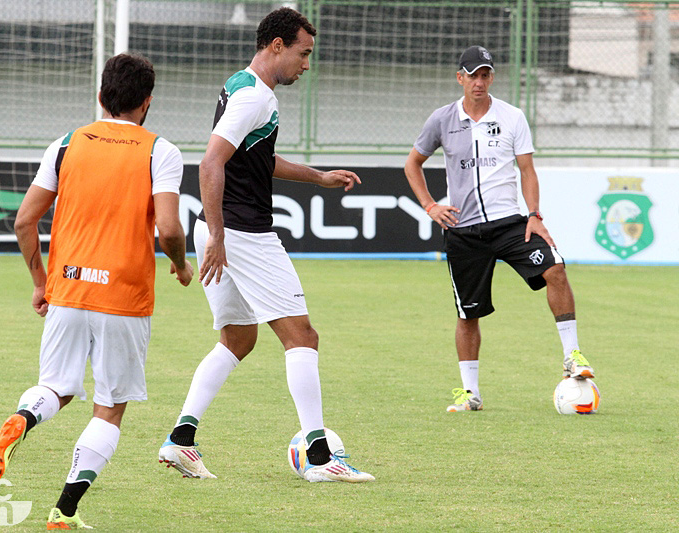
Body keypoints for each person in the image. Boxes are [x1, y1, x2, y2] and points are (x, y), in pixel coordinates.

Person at [157, 7, 373, 483]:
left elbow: (257, 157)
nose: (307, 64)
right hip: (241, 234)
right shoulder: (255, 97)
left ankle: (180, 440)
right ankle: (320, 460)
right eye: (303, 53)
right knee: (302, 336)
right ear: (277, 46)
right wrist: (218, 236)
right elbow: (210, 163)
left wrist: (317, 177)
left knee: (239, 337)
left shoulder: (241, 85)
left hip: (222, 229)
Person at [0, 53, 193, 528]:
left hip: (68, 290)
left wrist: (42, 282)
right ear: (148, 102)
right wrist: (180, 265)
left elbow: (23, 220)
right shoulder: (161, 151)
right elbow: (170, 228)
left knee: (56, 386)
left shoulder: (65, 144)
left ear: (101, 96)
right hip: (125, 297)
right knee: (109, 406)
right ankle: (64, 510)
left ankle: (23, 419)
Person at [404, 45, 594, 413]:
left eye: (485, 74)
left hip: (510, 224)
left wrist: (534, 214)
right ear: (459, 78)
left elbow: (527, 170)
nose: (479, 81)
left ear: (492, 77)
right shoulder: (442, 119)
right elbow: (413, 164)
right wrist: (430, 206)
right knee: (468, 314)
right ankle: (469, 392)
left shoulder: (512, 117)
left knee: (555, 268)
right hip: (464, 230)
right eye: (472, 75)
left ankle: (572, 355)